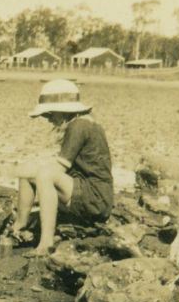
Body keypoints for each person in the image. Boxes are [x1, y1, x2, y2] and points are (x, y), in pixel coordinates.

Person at [7, 79, 113, 256]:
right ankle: (20, 224)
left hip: (96, 198)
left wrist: (13, 171)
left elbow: (58, 169)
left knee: (45, 175)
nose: (48, 120)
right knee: (29, 171)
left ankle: (45, 243)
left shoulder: (79, 126)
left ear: (63, 111)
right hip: (84, 190)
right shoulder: (81, 123)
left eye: (50, 115)